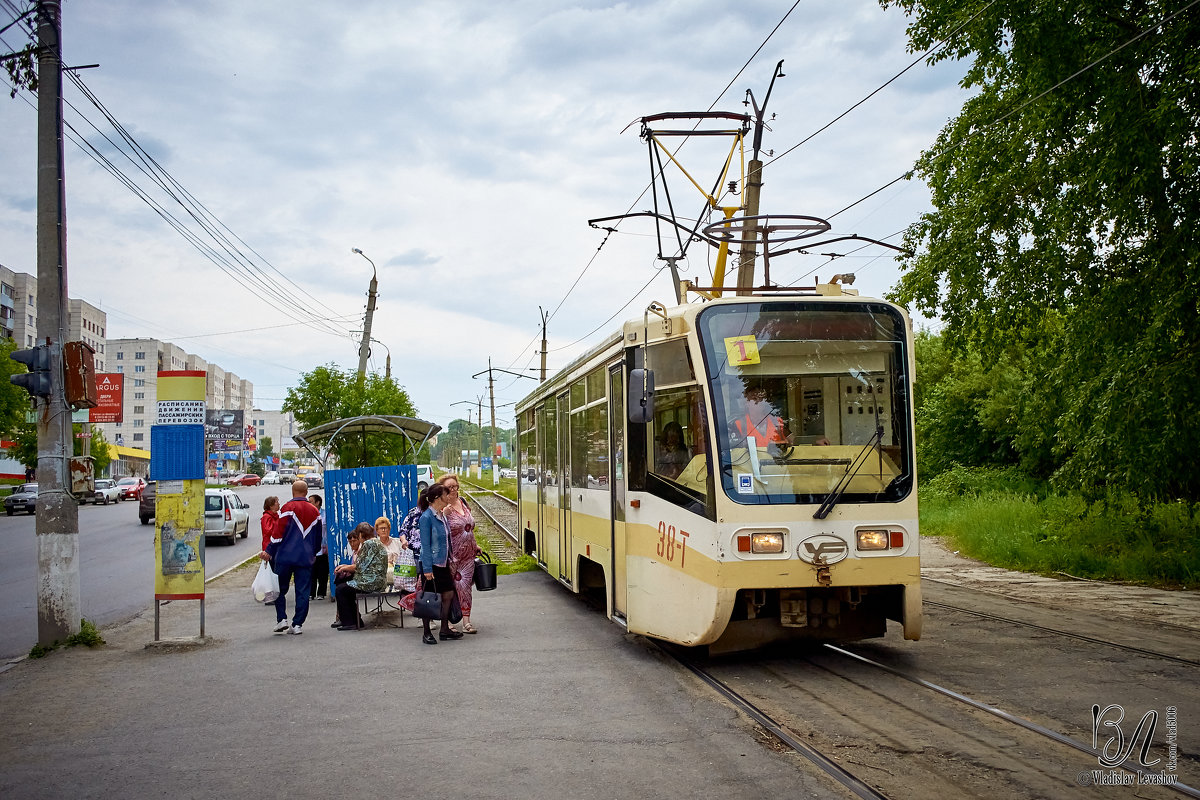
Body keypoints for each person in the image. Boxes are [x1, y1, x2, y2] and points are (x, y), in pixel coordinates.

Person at [260, 479, 322, 636]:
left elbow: (277, 535)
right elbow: (317, 538)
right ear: (306, 493)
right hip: (305, 559)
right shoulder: (315, 512)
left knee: (279, 589)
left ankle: (282, 619)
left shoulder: (287, 508)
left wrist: (268, 551)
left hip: (285, 557)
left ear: (292, 491)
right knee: (303, 591)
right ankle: (297, 624)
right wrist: (313, 554)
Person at [438, 474, 482, 634]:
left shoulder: (463, 502)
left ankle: (467, 621)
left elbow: (469, 527)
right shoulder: (442, 507)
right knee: (450, 589)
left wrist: (475, 544)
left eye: (455, 486)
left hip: (468, 555)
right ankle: (448, 621)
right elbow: (437, 530)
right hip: (451, 555)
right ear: (443, 489)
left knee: (465, 588)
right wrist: (444, 515)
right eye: (449, 487)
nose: (453, 489)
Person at [417, 483, 459, 645]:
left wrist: (451, 559)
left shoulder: (441, 515)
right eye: (445, 494)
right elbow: (425, 545)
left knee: (448, 593)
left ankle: (444, 629)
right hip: (431, 564)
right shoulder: (426, 518)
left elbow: (447, 541)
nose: (448, 497)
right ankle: (426, 633)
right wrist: (426, 568)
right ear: (436, 498)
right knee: (428, 597)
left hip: (443, 563)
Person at [332, 522, 388, 631]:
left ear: (361, 534)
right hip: (375, 580)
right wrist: (345, 566)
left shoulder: (368, 544)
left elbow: (360, 566)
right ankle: (356, 620)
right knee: (344, 584)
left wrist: (344, 568)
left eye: (358, 536)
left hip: (371, 582)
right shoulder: (376, 542)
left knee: (341, 589)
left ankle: (349, 622)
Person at [309, 494, 329, 601]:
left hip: (323, 546)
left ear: (318, 503)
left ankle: (321, 592)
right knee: (311, 572)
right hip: (311, 548)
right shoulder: (307, 514)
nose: (309, 503)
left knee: (322, 571)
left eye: (311, 501)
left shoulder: (325, 514)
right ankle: (311, 593)